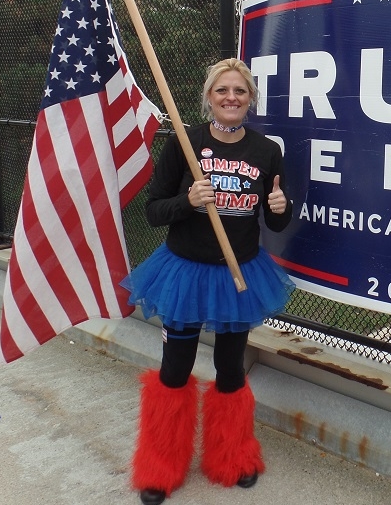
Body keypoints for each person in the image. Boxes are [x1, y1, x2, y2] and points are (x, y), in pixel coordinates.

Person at [123, 58, 294, 505]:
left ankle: (232, 458)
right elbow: (153, 210)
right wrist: (188, 200)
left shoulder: (266, 151)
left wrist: (281, 207)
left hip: (238, 275)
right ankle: (160, 468)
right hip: (185, 273)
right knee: (175, 369)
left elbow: (276, 220)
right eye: (222, 90)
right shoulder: (185, 143)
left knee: (231, 368)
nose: (231, 98)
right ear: (209, 97)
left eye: (239, 91)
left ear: (250, 99)